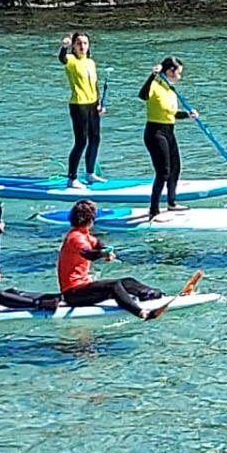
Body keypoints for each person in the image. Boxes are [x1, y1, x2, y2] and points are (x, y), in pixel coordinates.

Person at [57, 200, 174, 317]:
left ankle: (151, 294)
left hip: (83, 288)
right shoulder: (76, 238)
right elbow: (87, 254)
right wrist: (102, 254)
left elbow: (100, 245)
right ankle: (141, 313)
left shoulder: (84, 235)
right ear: (91, 219)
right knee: (113, 286)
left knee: (127, 282)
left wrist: (108, 251)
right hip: (73, 294)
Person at [138, 57, 190, 218]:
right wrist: (151, 76)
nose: (180, 77)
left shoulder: (170, 89)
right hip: (155, 133)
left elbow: (171, 113)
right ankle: (153, 211)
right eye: (178, 73)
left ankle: (171, 203)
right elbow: (142, 95)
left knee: (176, 168)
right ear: (170, 71)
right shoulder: (155, 85)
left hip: (169, 131)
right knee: (163, 172)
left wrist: (187, 115)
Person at [59, 31, 104, 185]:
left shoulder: (90, 62)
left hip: (92, 104)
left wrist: (99, 103)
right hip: (78, 105)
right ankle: (72, 178)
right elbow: (62, 58)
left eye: (85, 43)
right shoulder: (71, 60)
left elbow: (95, 84)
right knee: (81, 141)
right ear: (74, 46)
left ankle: (90, 173)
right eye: (79, 43)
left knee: (95, 139)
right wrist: (64, 47)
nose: (82, 46)